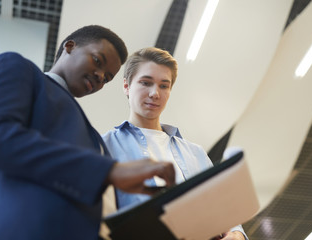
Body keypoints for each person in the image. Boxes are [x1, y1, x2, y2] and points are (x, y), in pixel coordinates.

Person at [0, 26, 175, 240]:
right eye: (97, 61)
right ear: (69, 46)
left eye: (107, 78)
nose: (99, 76)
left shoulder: (94, 137)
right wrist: (108, 171)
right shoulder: (18, 68)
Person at [102, 47, 248, 240]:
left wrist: (236, 234)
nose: (155, 93)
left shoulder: (195, 153)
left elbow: (224, 211)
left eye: (164, 85)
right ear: (126, 86)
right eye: (146, 83)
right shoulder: (104, 146)